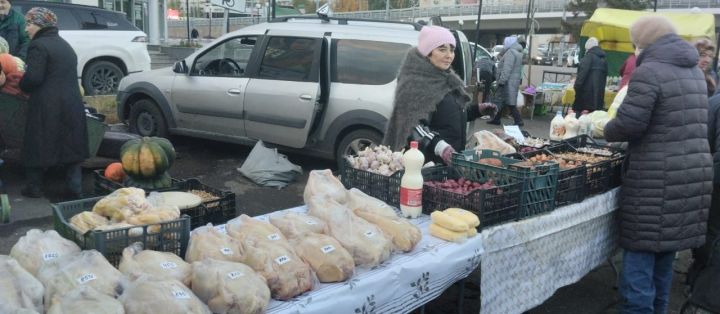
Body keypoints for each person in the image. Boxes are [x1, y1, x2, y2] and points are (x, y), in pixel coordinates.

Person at [603, 15, 713, 314]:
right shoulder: (692, 71)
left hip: (656, 179)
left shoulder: (649, 71)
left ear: (644, 43)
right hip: (691, 176)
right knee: (663, 263)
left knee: (638, 268)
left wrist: (605, 129)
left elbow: (630, 124)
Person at [383, 25, 490, 165]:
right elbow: (412, 125)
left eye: (452, 49)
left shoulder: (446, 79)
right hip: (426, 165)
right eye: (442, 49)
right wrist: (440, 147)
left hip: (449, 162)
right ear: (428, 53)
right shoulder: (415, 82)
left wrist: (477, 110)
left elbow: (449, 115)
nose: (449, 55)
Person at [19, 7, 89, 199]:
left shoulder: (38, 45)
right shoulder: (65, 45)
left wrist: (21, 84)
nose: (26, 29)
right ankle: (75, 188)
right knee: (71, 145)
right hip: (71, 103)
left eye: (30, 23)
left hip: (46, 105)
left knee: (38, 143)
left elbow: (33, 78)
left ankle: (34, 187)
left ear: (41, 25)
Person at [487, 35, 524, 126]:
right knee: (502, 101)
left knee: (508, 102)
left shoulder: (511, 52)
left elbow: (507, 68)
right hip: (512, 81)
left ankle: (518, 120)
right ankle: (496, 119)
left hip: (507, 82)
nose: (504, 45)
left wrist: (502, 81)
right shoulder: (516, 52)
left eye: (505, 43)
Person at [573, 37, 608, 112]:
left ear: (587, 48)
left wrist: (576, 90)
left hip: (584, 100)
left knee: (580, 122)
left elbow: (579, 80)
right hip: (598, 99)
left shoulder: (587, 58)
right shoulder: (603, 60)